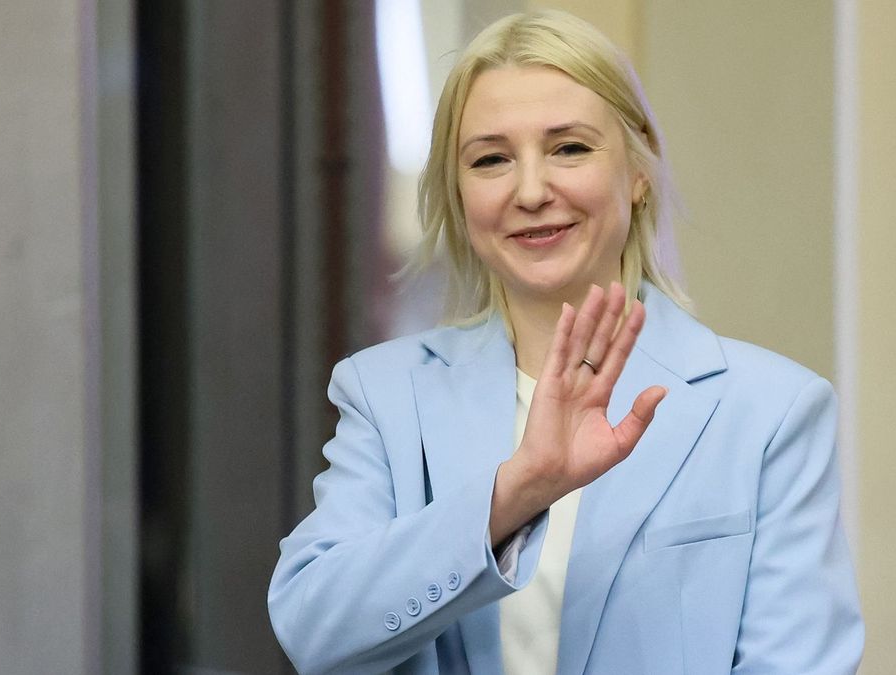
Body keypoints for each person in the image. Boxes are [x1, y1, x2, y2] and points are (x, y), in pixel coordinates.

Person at [268, 9, 863, 674]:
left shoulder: (772, 412)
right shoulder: (384, 395)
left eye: (569, 148)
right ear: (458, 195)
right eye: (491, 159)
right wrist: (514, 493)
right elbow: (313, 629)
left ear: (638, 171)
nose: (530, 190)